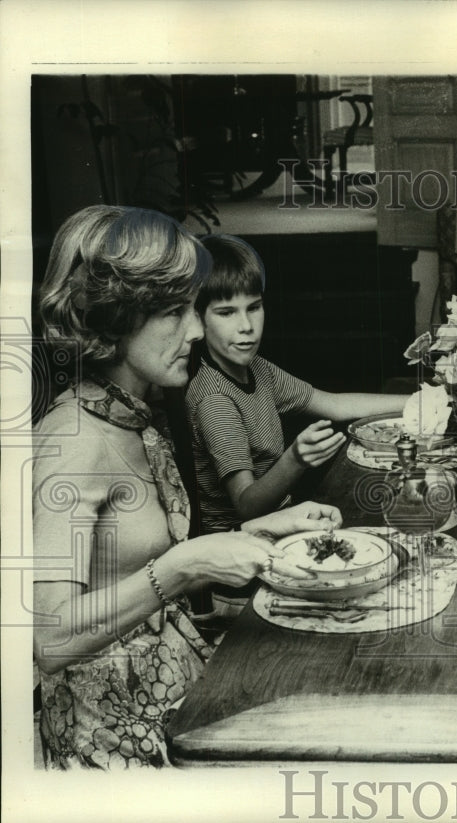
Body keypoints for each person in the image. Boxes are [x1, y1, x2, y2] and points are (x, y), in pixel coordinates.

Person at [32, 206, 340, 769]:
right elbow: (50, 641)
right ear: (117, 317)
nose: (197, 330)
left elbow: (132, 561)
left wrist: (256, 528)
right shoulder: (73, 442)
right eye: (176, 312)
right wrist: (186, 566)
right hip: (111, 746)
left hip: (171, 701)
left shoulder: (133, 415)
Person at [185, 234, 406, 614]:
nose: (246, 327)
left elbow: (333, 403)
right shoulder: (214, 399)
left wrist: (422, 402)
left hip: (282, 532)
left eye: (254, 308)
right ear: (197, 318)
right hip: (240, 574)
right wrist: (295, 460)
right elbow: (247, 506)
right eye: (226, 313)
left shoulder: (257, 369)